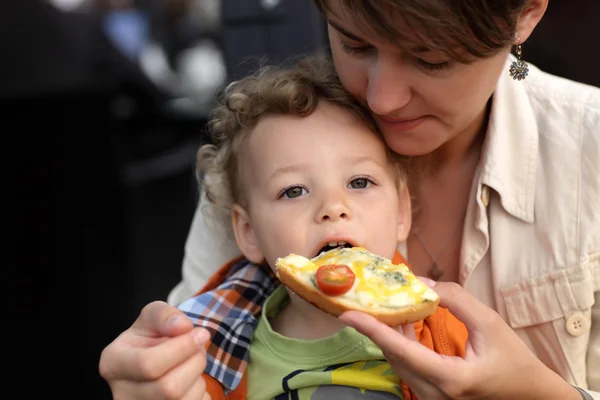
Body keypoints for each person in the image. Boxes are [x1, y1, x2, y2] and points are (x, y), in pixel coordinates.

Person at [99, 0, 600, 398]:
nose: (382, 98)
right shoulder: (260, 149)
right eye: (355, 43)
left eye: (431, 58)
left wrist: (538, 394)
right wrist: (157, 377)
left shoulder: (588, 149)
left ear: (526, 14)